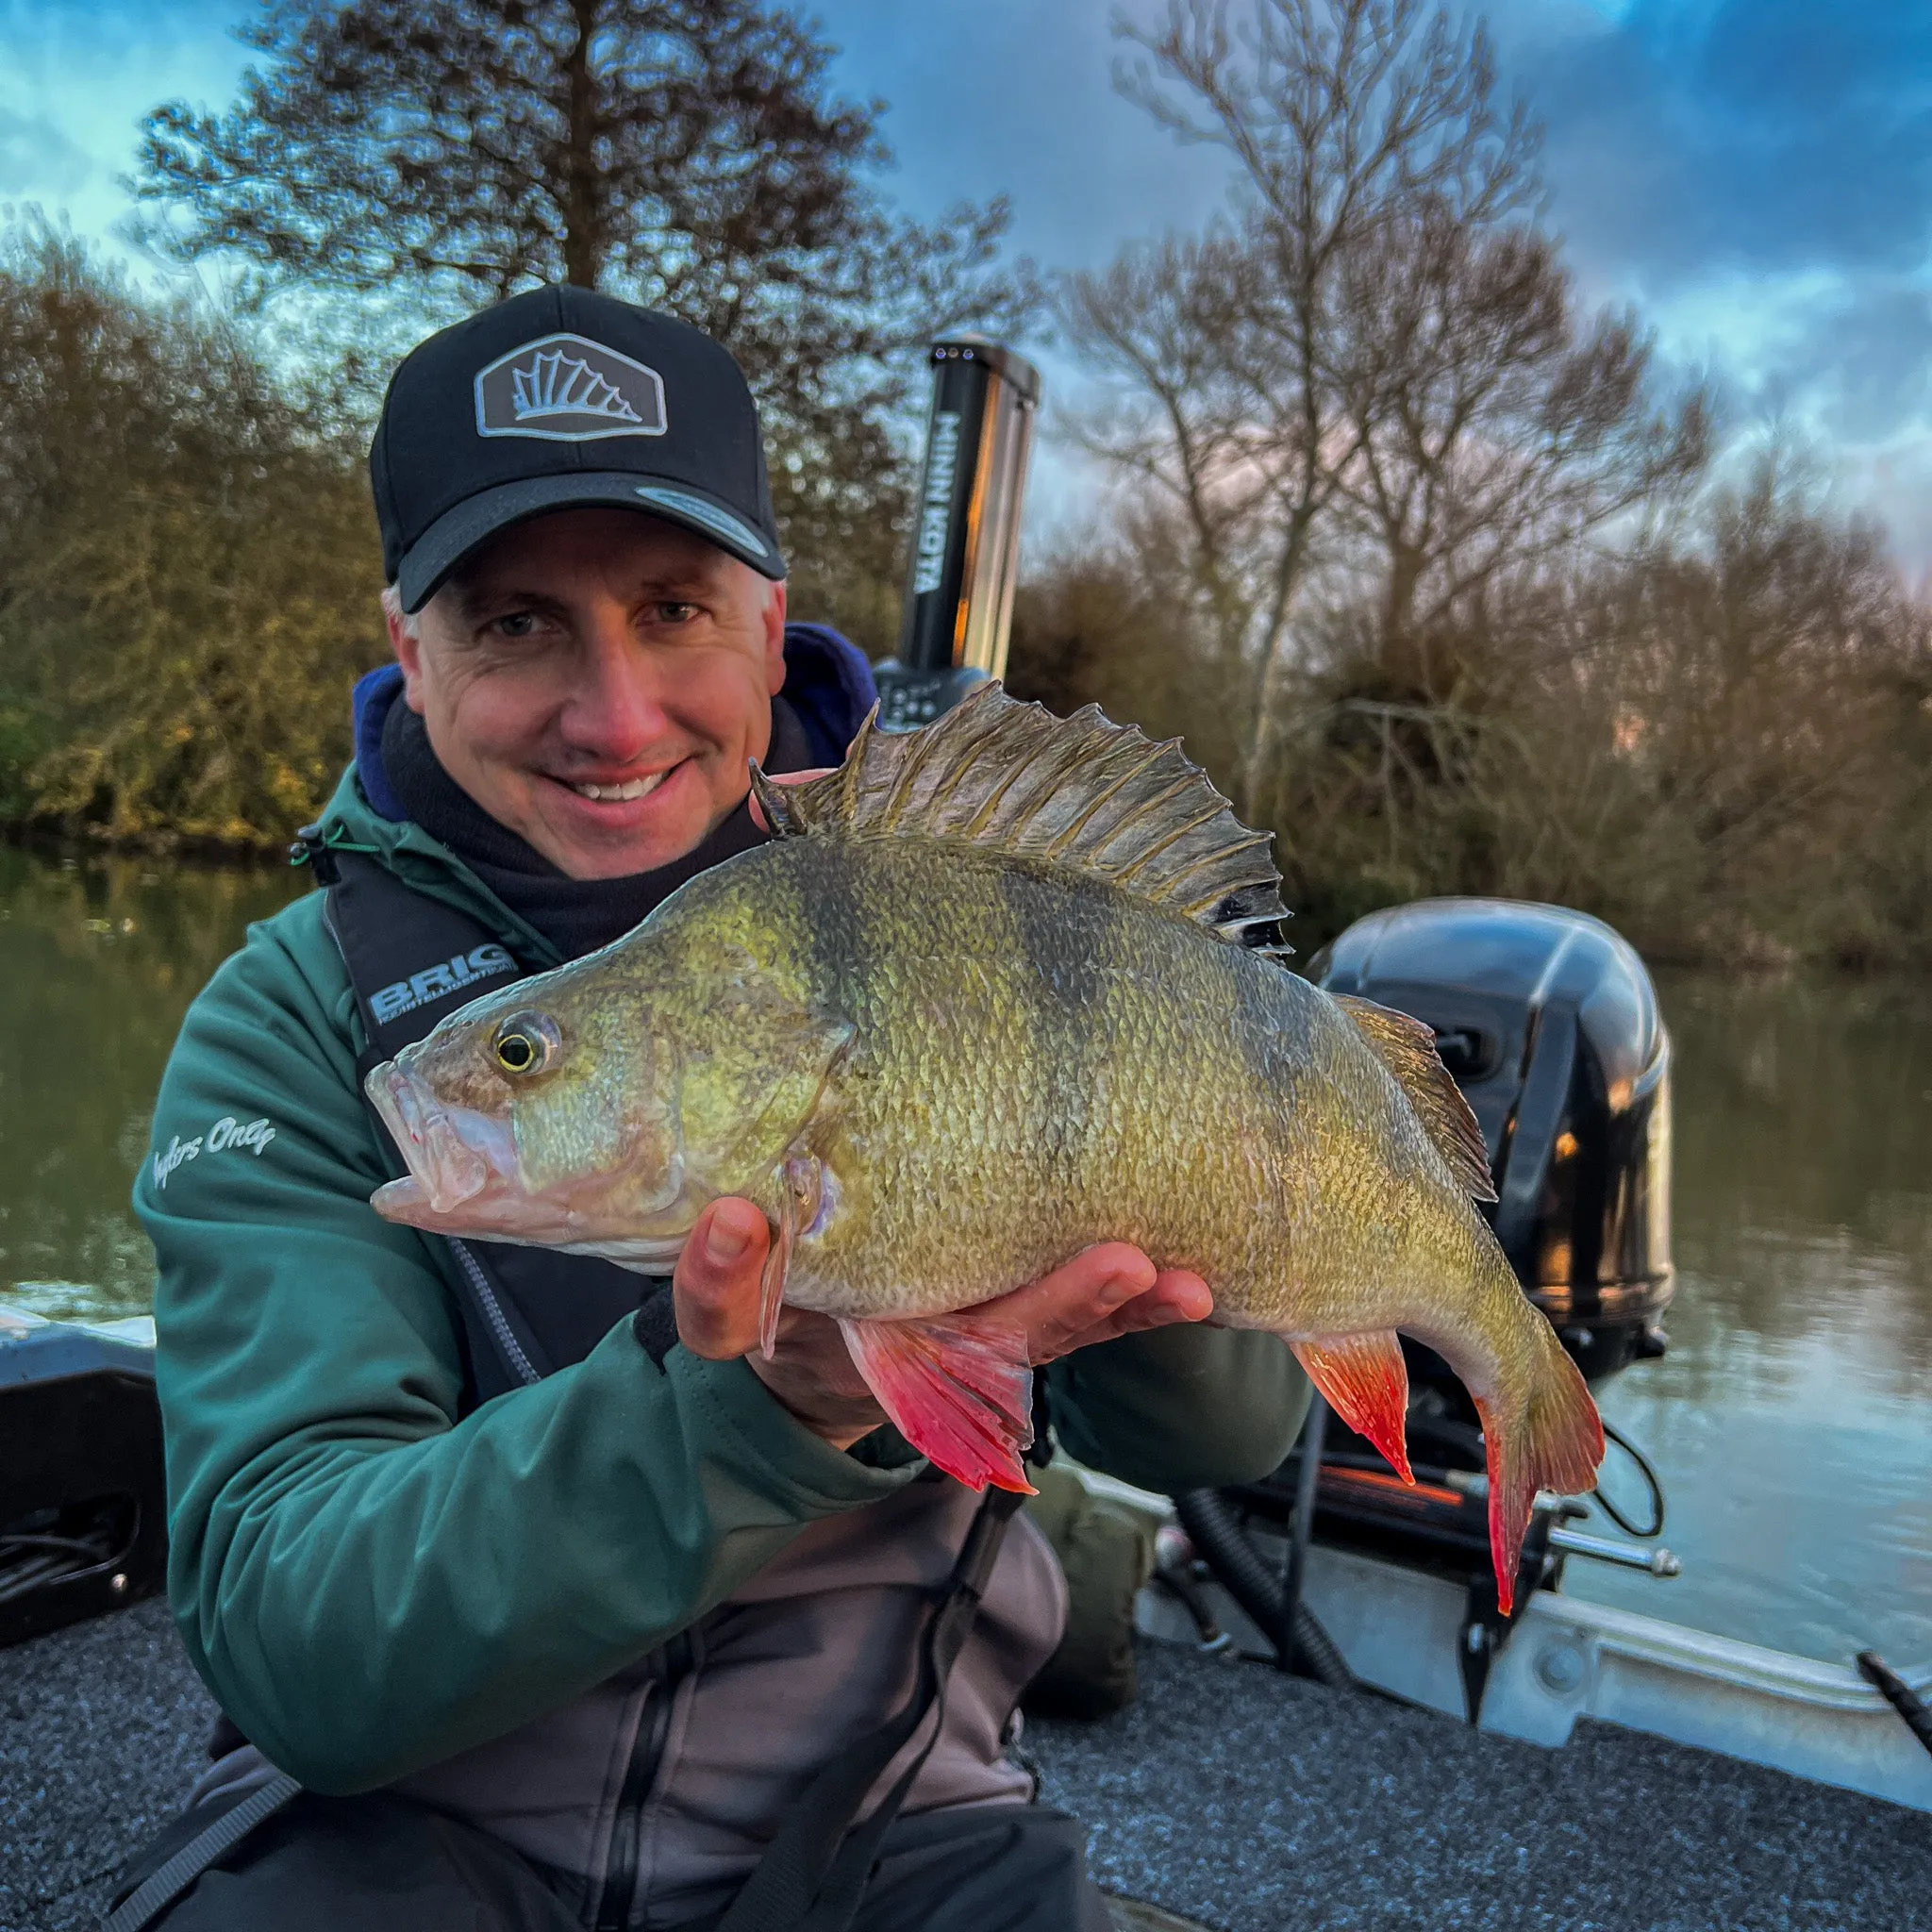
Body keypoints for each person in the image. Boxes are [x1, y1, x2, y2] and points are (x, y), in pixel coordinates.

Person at [114, 286, 1307, 1931]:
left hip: (898, 1823)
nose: (613, 715)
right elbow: (299, 1648)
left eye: (673, 607)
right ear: (411, 646)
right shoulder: (298, 1018)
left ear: (769, 616)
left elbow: (1223, 1442)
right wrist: (766, 1406)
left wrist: (1129, 1169)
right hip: (387, 1825)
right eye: (516, 623)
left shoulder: (972, 895)